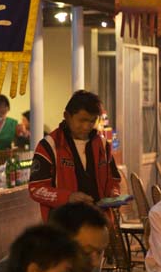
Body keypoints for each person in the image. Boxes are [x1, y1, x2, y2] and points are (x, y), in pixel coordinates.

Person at [28, 90, 120, 222]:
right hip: (63, 225)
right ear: (67, 116)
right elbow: (36, 188)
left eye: (92, 121)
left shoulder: (103, 145)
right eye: (82, 120)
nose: (86, 126)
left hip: (99, 222)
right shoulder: (49, 146)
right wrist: (68, 197)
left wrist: (114, 194)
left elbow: (113, 180)